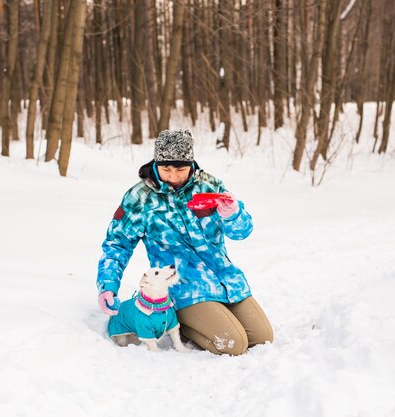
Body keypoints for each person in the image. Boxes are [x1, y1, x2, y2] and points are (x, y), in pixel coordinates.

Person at [96, 129, 273, 355]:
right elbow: (117, 245)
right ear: (156, 164)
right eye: (166, 169)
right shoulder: (140, 198)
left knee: (263, 339)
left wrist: (233, 214)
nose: (173, 176)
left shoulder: (210, 186)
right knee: (234, 345)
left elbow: (242, 232)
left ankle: (208, 317)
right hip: (183, 287)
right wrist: (107, 286)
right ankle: (182, 324)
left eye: (180, 169)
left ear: (191, 163)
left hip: (225, 279)